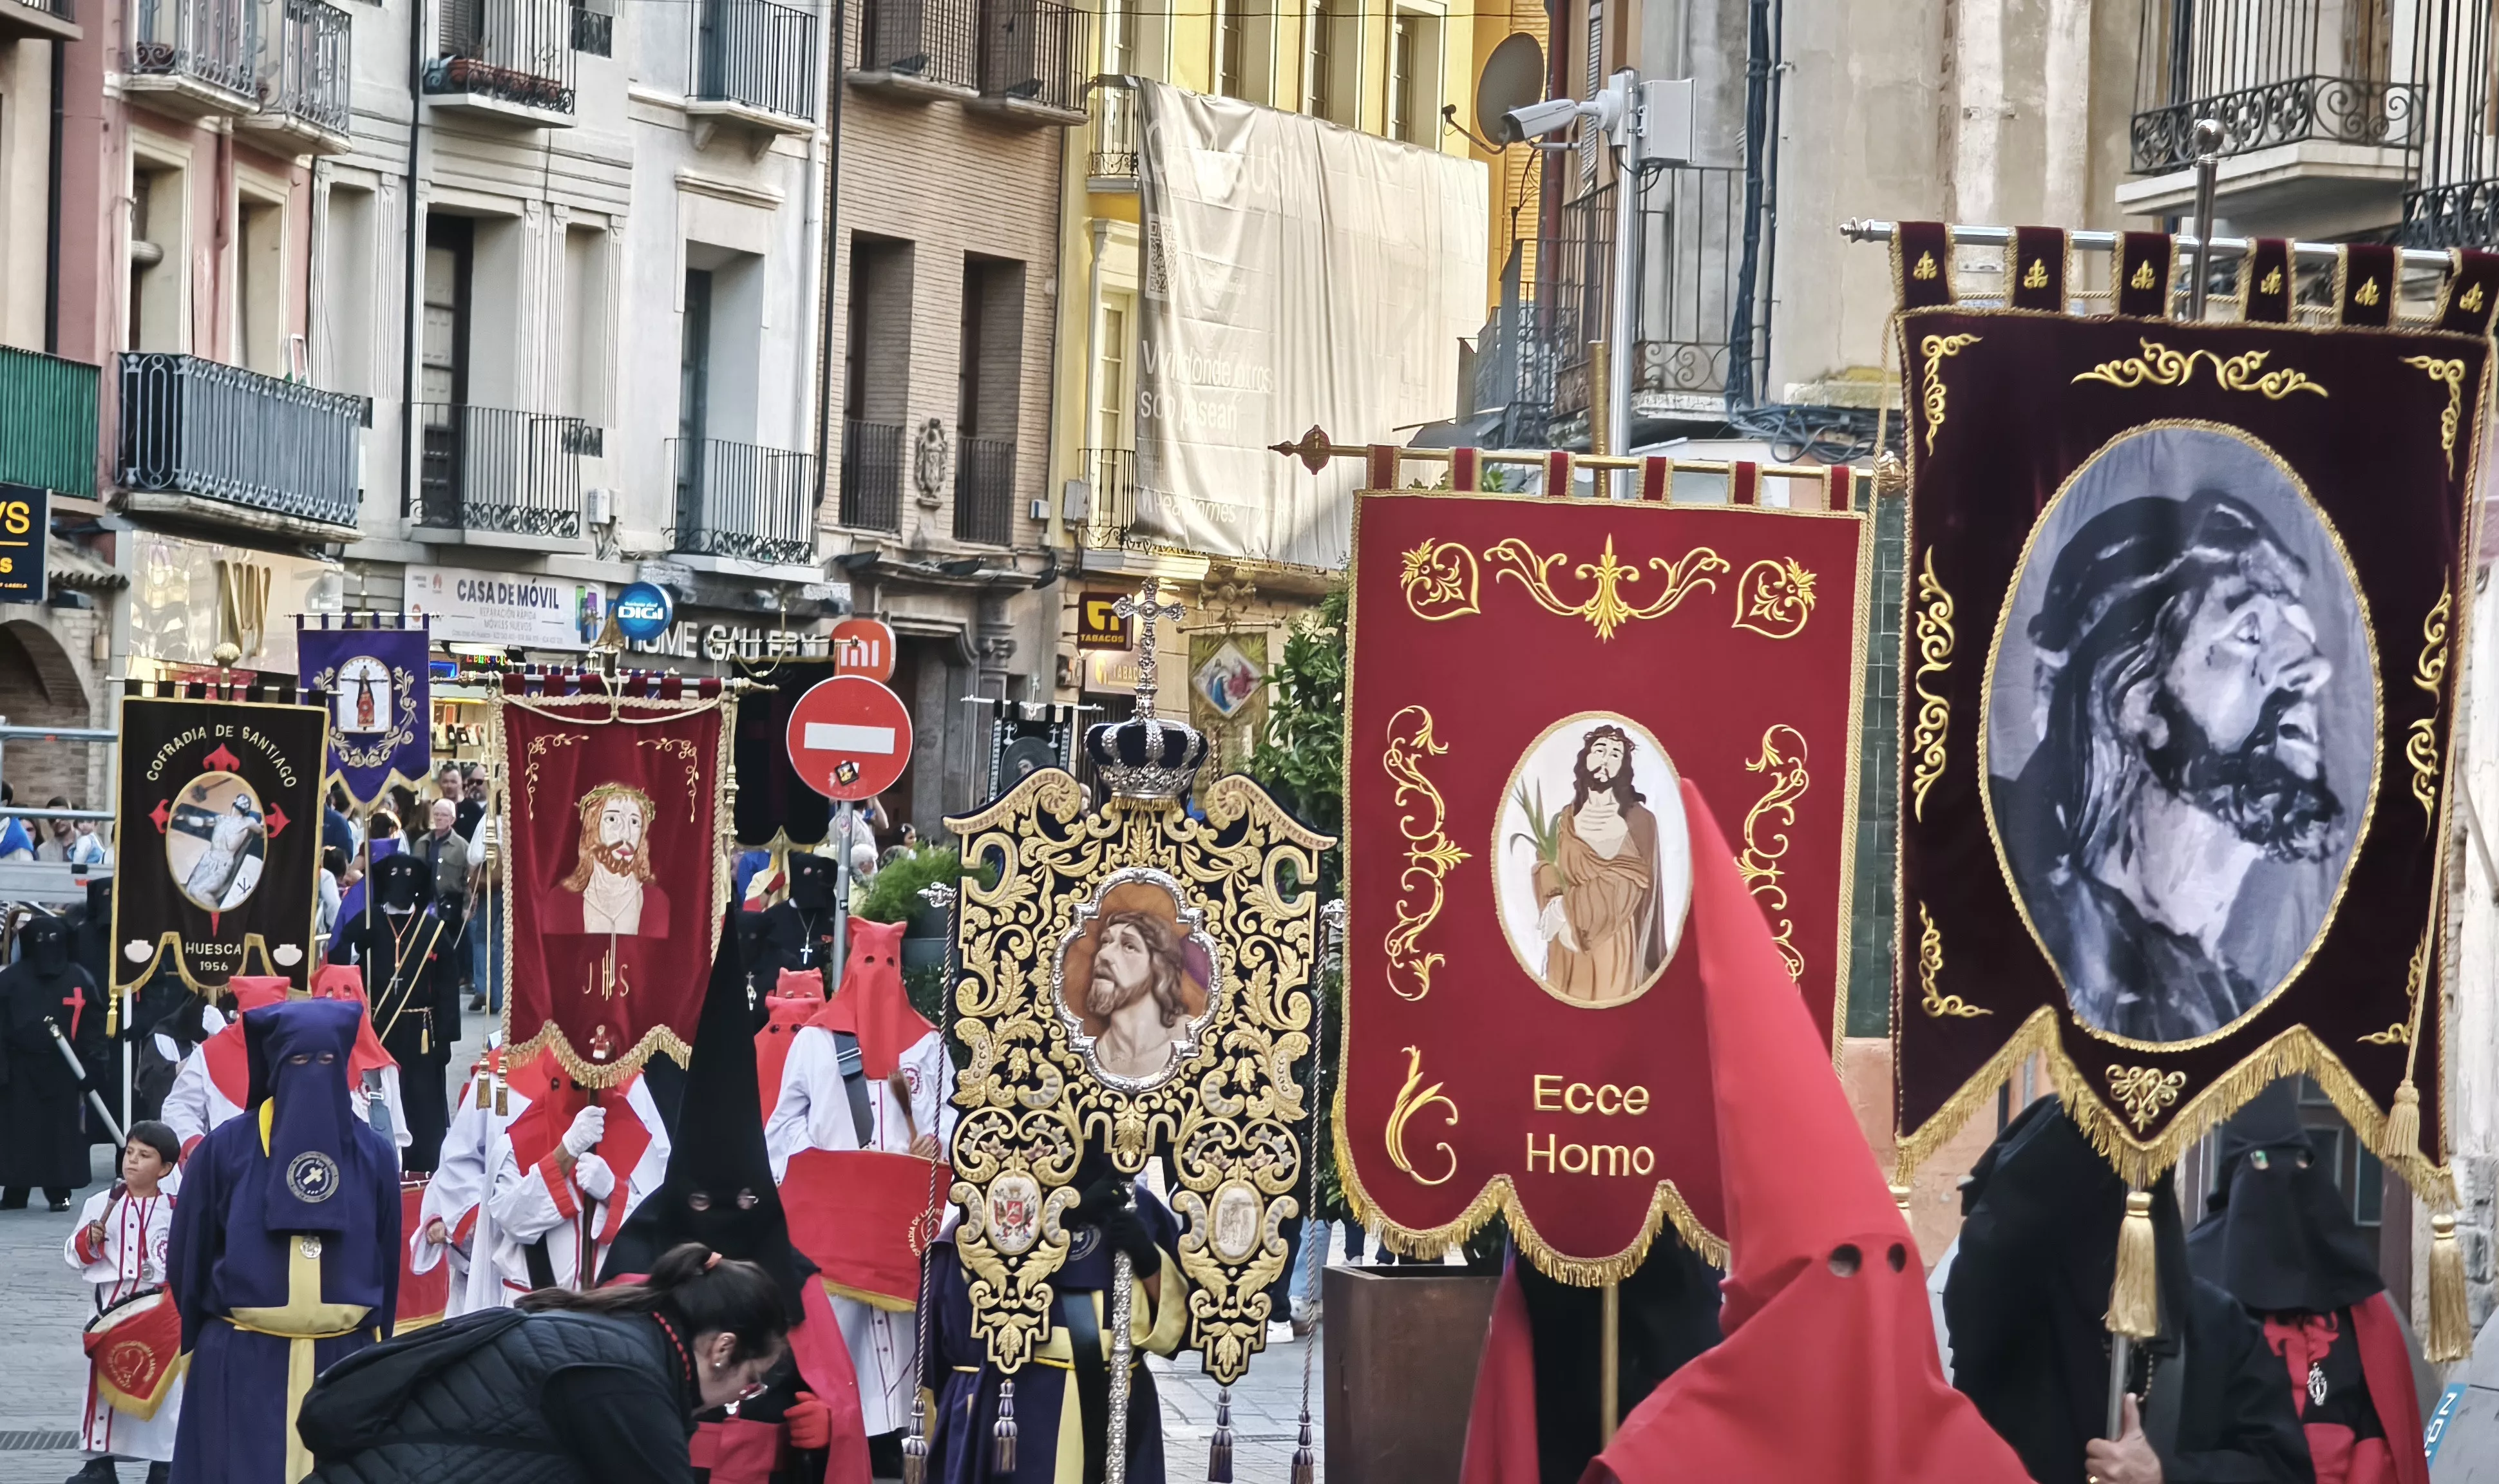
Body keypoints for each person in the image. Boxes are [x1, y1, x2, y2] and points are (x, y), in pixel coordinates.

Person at [1574, 790, 2028, 1484]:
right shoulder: (1660, 1460)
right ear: (1761, 1286)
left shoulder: (1979, 1461)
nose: (1870, 1306)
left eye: (1892, 1262)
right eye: (1838, 1265)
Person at [1993, 489, 2345, 1042]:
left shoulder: (2239, 1006)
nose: (2313, 667)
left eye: (2297, 632)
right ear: (2143, 703)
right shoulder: (2021, 928)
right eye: (2249, 632)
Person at [603, 916, 872, 1483]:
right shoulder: (634, 1267)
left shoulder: (795, 1280)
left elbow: (835, 1400)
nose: (723, 1224)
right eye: (704, 1204)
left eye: (746, 1202)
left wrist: (826, 1426)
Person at [1943, 1095, 2312, 1484]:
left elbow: (2282, 1471)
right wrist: (2097, 1098)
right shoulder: (2008, 1313)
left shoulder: (2217, 1327)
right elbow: (1993, 1247)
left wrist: (2165, 1476)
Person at [299, 1244, 789, 1483]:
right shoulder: (627, 1380)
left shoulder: (622, 1336)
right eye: (750, 1383)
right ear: (722, 1349)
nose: (738, 1401)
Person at [167, 997, 401, 1484]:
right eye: (298, 1060)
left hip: (344, 1361)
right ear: (275, 1066)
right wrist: (199, 1348)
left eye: (326, 1061)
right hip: (243, 1361)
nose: (312, 1073)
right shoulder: (225, 1151)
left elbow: (388, 1255)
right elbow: (189, 1252)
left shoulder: (373, 1155)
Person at [2187, 1083, 2433, 1484]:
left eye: (2302, 1163)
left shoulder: (2356, 1293)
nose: (2285, 1177)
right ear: (2237, 1173)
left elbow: (2384, 1432)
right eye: (2262, 1162)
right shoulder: (2195, 1274)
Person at [766, 918, 951, 1450]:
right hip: (835, 1223)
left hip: (900, 1225)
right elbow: (783, 1126)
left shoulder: (928, 1047)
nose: (878, 974)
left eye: (888, 963)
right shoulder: (816, 1042)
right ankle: (832, 1440)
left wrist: (934, 1145)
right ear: (851, 967)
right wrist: (824, 1168)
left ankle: (896, 1443)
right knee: (832, 1340)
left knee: (903, 1340)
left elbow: (949, 1114)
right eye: (868, 962)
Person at [924, 1165, 1190, 1483]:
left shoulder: (1135, 1204)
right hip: (1021, 1399)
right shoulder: (996, 1201)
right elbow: (958, 1323)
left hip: (1116, 1399)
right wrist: (1056, 1222)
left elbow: (1179, 1327)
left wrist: (1148, 1260)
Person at [466, 1052, 670, 1308]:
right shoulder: (514, 1145)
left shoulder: (640, 1144)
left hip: (611, 1309)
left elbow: (656, 1229)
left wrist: (613, 1193)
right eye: (572, 1085)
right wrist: (565, 1153)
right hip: (532, 1308)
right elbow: (513, 1221)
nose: (580, 1096)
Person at [65, 1121, 187, 1484]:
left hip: (162, 1311)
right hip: (112, 1308)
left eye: (144, 1156)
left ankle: (164, 1464)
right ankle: (100, 1465)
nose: (132, 1162)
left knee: (167, 1390)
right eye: (130, 1153)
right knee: (104, 1388)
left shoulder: (178, 1209)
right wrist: (91, 1241)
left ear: (165, 1168)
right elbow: (74, 1254)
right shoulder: (100, 1204)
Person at [328, 855, 457, 1170]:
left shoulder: (433, 929)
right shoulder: (368, 922)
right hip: (378, 1030)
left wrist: (446, 1037)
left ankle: (424, 1161)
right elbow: (336, 961)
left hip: (421, 1032)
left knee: (420, 1099)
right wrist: (358, 948)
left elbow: (447, 985)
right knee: (378, 1099)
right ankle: (378, 1163)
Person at [1530, 724, 1669, 1005]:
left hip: (1613, 941)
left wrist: (1568, 908)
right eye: (1600, 750)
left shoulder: (1640, 822)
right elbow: (1544, 864)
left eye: (1616, 754)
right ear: (1585, 760)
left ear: (1624, 769)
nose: (1606, 759)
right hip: (1565, 945)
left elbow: (1635, 879)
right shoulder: (1562, 821)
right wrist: (1556, 904)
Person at [1, 910, 108, 1210]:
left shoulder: (79, 979)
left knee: (61, 1132)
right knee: (19, 1130)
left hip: (65, 1069)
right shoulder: (10, 980)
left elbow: (93, 1025)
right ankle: (16, 1190)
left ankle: (58, 1191)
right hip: (21, 1067)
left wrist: (92, 1066)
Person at [1076, 909, 1196, 1081]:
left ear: (1159, 968)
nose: (1103, 954)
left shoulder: (1191, 1038)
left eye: (1129, 946)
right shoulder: (1098, 1054)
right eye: (1106, 942)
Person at [558, 783, 671, 936]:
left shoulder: (657, 904)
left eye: (634, 822)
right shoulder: (560, 903)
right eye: (612, 819)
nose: (626, 834)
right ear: (593, 828)